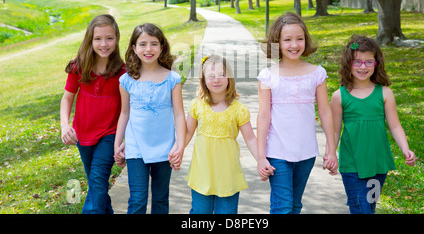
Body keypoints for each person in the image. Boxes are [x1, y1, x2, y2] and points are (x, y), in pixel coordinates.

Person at [257, 12, 338, 214]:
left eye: (299, 39)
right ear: (277, 42)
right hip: (277, 152)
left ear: (306, 40)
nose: (294, 45)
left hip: (306, 152)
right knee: (282, 207)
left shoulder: (317, 73)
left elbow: (326, 113)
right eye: (287, 40)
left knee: (294, 205)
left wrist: (331, 148)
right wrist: (261, 156)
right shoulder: (267, 76)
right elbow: (264, 116)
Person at [330, 34, 415, 214]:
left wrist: (405, 149)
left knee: (370, 206)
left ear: (376, 64)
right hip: (352, 164)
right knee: (360, 208)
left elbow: (395, 126)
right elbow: (335, 131)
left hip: (378, 164)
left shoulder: (385, 93)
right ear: (348, 64)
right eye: (357, 62)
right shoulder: (339, 96)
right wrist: (331, 153)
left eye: (369, 62)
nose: (363, 67)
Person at [114, 23, 186, 214]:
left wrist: (180, 146)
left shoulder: (172, 79)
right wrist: (117, 143)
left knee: (161, 198)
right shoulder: (127, 80)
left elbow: (179, 114)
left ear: (162, 47)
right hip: (136, 146)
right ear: (134, 48)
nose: (148, 49)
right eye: (143, 44)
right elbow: (124, 113)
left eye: (154, 44)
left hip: (165, 147)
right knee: (137, 198)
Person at [60, 14, 126, 214]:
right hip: (83, 134)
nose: (104, 44)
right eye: (98, 39)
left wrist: (122, 140)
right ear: (90, 40)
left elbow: (126, 110)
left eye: (109, 38)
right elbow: (67, 99)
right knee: (96, 184)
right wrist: (65, 125)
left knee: (97, 179)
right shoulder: (79, 67)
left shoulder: (123, 72)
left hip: (110, 133)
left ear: (117, 39)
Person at [185, 54, 258, 214]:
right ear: (203, 80)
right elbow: (188, 132)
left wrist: (261, 160)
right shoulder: (197, 105)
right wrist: (177, 150)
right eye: (210, 76)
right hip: (202, 174)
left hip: (227, 177)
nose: (216, 79)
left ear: (229, 78)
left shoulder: (239, 109)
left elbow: (251, 139)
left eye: (221, 75)